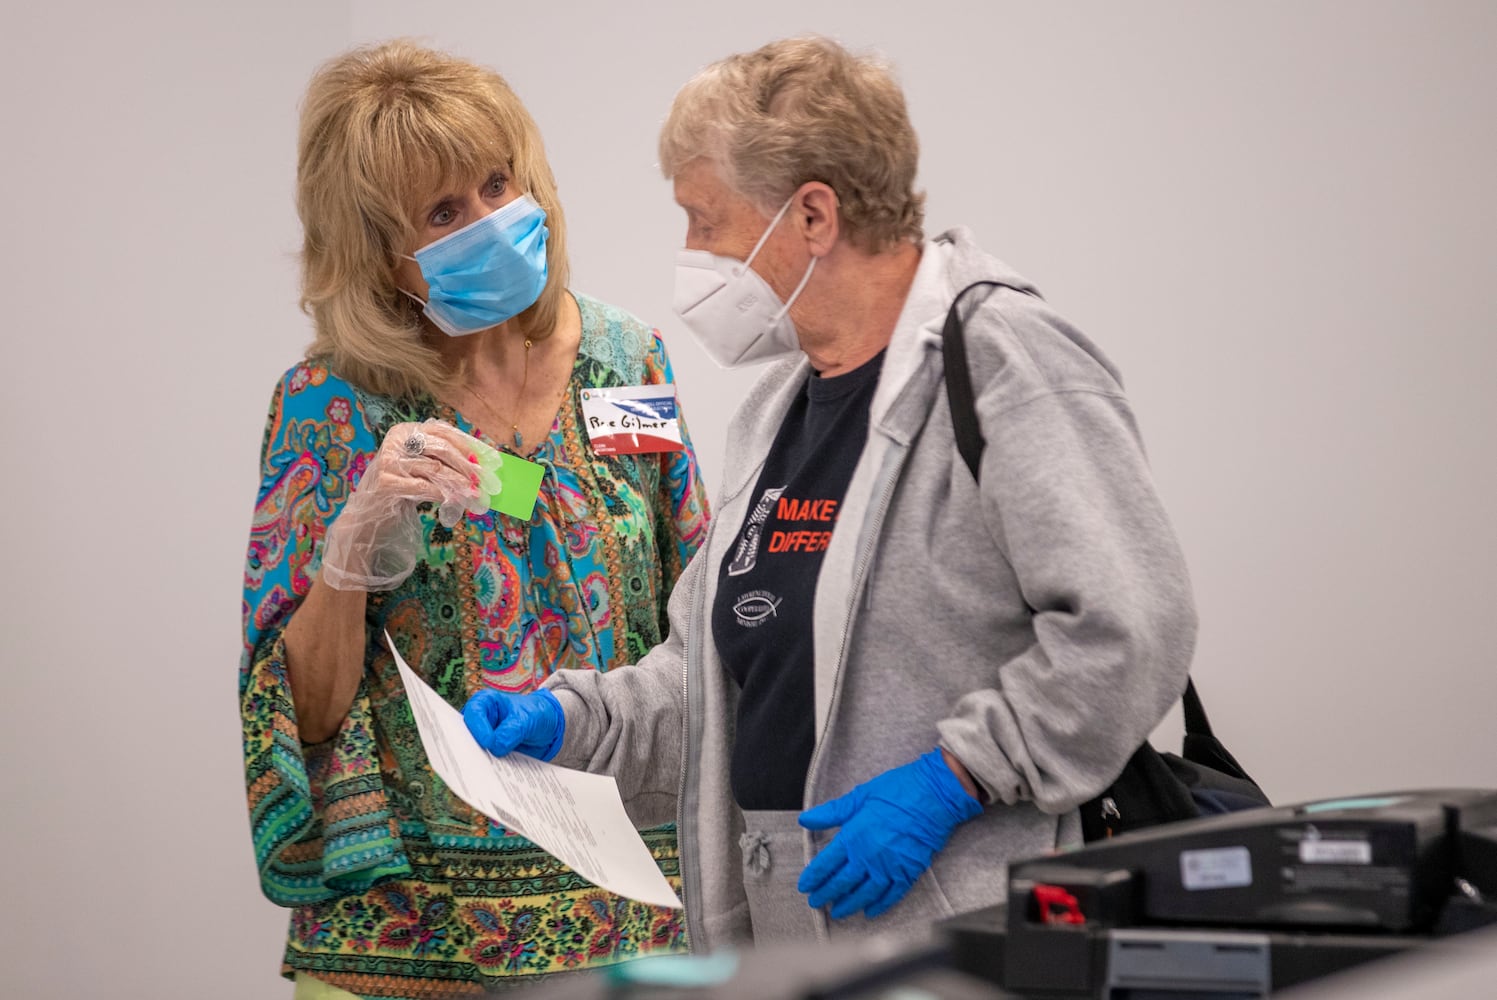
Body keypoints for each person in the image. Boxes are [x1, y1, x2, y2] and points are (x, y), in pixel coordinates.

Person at [464, 35, 1196, 951]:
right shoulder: (777, 409)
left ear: (812, 215)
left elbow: (1130, 628)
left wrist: (955, 777)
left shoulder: (1004, 362)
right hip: (785, 924)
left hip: (967, 923)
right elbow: (716, 678)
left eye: (703, 218)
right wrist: (573, 717)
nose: (690, 254)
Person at [238, 40, 709, 997]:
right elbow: (304, 715)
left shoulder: (627, 361)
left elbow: (699, 618)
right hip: (413, 932)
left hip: (625, 897)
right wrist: (348, 550)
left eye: (499, 184)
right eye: (445, 212)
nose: (491, 223)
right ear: (381, 253)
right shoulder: (330, 407)